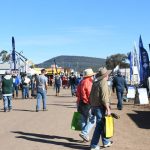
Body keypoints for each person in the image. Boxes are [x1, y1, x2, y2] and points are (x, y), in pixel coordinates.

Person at [90, 67, 112, 150]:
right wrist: (108, 109)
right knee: (99, 126)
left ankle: (106, 142)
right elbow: (104, 98)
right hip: (100, 107)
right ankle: (94, 145)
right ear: (106, 75)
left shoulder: (96, 82)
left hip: (95, 106)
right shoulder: (103, 82)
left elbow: (91, 96)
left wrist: (92, 106)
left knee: (102, 124)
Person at [76, 68, 95, 142]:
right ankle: (84, 133)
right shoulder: (89, 82)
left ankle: (85, 136)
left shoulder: (81, 81)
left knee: (83, 120)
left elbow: (77, 93)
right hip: (87, 103)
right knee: (93, 120)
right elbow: (90, 94)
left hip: (79, 102)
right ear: (90, 75)